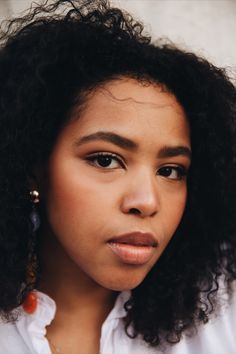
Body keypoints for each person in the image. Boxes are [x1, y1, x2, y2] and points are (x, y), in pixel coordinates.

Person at [0, 0, 236, 353]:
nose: (146, 201)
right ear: (34, 168)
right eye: (106, 160)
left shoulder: (223, 307)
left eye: (170, 171)